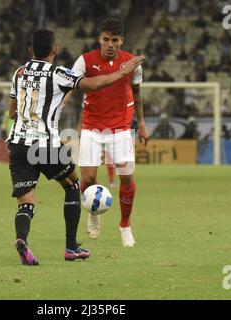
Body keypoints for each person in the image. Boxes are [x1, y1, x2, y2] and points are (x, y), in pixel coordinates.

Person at [7, 29, 144, 265]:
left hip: (18, 145)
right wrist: (122, 72)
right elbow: (93, 85)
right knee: (73, 185)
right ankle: (71, 247)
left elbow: (11, 112)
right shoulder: (58, 73)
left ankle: (22, 239)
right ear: (54, 49)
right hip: (45, 145)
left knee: (26, 202)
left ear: (30, 50)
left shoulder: (18, 73)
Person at [68, 18, 150, 247]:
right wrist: (65, 100)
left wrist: (141, 122)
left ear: (122, 40)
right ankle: (93, 212)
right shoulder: (85, 61)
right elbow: (72, 86)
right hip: (92, 127)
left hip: (121, 128)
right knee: (88, 178)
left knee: (126, 176)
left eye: (115, 40)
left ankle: (125, 226)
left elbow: (137, 94)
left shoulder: (132, 64)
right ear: (99, 39)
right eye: (106, 39)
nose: (110, 44)